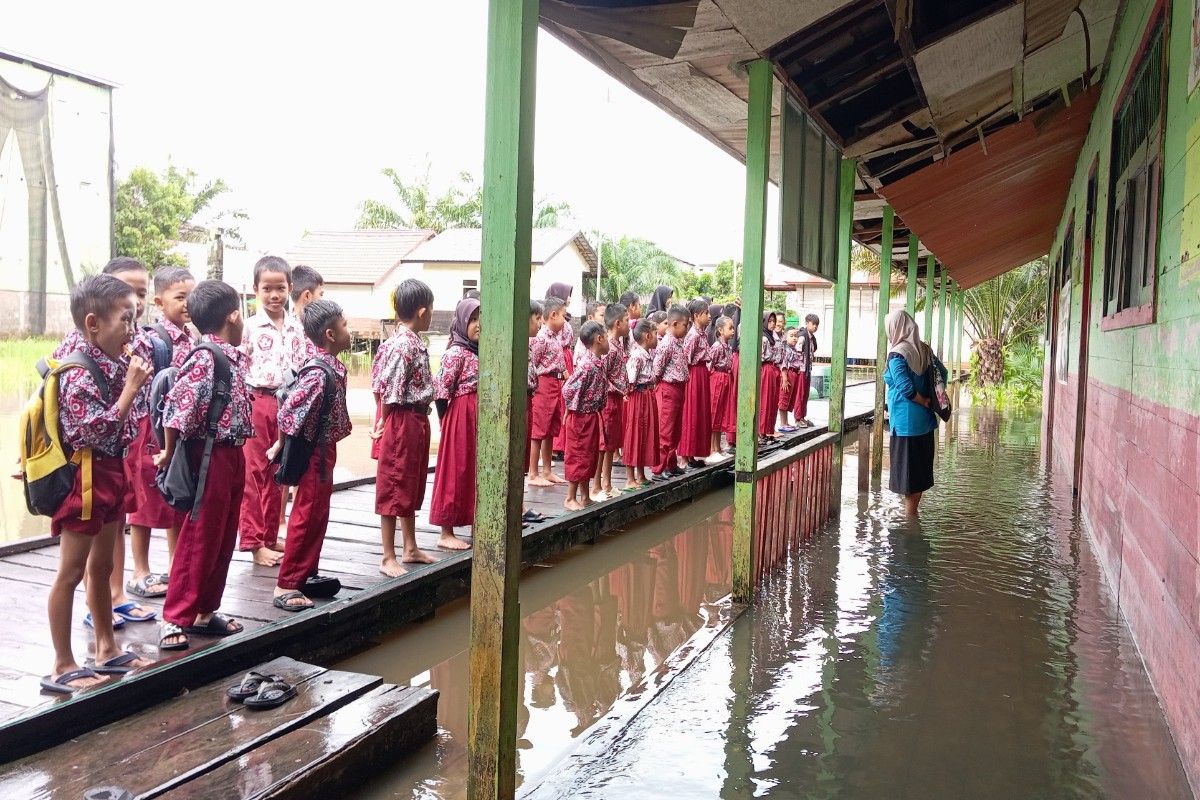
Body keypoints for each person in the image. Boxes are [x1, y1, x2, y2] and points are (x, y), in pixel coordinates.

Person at [42, 275, 154, 693]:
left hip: (112, 472)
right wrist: (129, 389)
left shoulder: (113, 355)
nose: (133, 330)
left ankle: (107, 648)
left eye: (136, 318)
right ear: (92, 324)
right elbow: (95, 431)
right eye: (126, 320)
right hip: (84, 477)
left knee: (103, 567)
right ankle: (62, 662)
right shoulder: (77, 370)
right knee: (70, 572)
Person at [156, 280, 252, 650]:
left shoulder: (231, 354)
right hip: (209, 455)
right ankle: (174, 617)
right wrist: (168, 452)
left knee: (224, 535)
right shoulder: (206, 357)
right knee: (199, 537)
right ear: (232, 316)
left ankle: (205, 611)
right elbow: (177, 412)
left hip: (232, 455)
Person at [265, 299, 353, 612]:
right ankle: (286, 583)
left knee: (318, 514)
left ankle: (305, 574)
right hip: (314, 452)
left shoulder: (331, 366)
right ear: (330, 334)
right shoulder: (319, 373)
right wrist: (280, 444)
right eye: (344, 325)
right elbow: (288, 411)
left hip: (325, 450)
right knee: (307, 513)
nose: (349, 330)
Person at [124, 267, 196, 606]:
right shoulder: (153, 339)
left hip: (177, 430)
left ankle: (174, 564)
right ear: (159, 301)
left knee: (177, 494)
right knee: (144, 499)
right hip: (149, 427)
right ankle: (140, 570)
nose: (187, 304)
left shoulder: (193, 338)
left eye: (190, 297)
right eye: (179, 297)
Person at [239, 256, 304, 567]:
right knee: (254, 473)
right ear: (255, 290)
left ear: (290, 288)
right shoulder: (249, 327)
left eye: (280, 288)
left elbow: (301, 366)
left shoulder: (295, 326)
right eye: (267, 288)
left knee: (280, 473)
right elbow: (239, 366)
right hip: (258, 402)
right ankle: (253, 542)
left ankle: (268, 534)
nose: (275, 295)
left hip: (288, 404)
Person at [372, 279, 438, 577]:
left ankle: (410, 546)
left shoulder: (411, 342)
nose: (432, 314)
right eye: (432, 309)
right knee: (394, 483)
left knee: (409, 482)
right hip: (401, 418)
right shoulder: (402, 346)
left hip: (416, 419)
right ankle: (388, 555)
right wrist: (385, 422)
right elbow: (390, 390)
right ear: (422, 311)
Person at [884, 310, 947, 519]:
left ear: (894, 328)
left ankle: (909, 521)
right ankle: (912, 514)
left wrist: (922, 399)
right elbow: (943, 373)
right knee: (919, 473)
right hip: (925, 423)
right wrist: (930, 399)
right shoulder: (925, 349)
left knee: (907, 475)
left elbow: (905, 387)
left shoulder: (897, 354)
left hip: (905, 424)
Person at [430, 297, 481, 551]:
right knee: (455, 469)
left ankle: (475, 522)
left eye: (482, 318)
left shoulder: (482, 351)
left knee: (475, 469)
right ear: (462, 322)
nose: (478, 324)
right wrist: (446, 422)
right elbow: (441, 392)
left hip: (479, 416)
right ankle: (446, 531)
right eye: (473, 319)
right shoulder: (455, 353)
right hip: (460, 415)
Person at [562, 320, 609, 511]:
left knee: (588, 456)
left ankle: (585, 495)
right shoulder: (587, 366)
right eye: (606, 338)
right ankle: (570, 497)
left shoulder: (598, 363)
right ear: (599, 339)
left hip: (591, 416)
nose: (608, 342)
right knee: (577, 455)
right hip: (580, 417)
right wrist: (571, 409)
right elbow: (568, 389)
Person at [528, 296, 568, 487]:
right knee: (539, 429)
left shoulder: (554, 337)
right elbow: (533, 363)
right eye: (563, 316)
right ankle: (533, 473)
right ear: (553, 315)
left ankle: (547, 470)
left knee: (551, 428)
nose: (565, 320)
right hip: (543, 385)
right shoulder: (540, 339)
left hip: (555, 384)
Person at [594, 302, 629, 500]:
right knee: (603, 443)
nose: (628, 324)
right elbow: (601, 374)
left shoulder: (618, 345)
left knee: (611, 443)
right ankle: (597, 485)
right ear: (617, 323)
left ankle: (607, 483)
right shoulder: (608, 347)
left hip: (616, 398)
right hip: (607, 399)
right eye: (626, 321)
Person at [651, 304, 690, 479]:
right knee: (665, 430)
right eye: (685, 325)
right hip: (668, 388)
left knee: (675, 429)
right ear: (674, 324)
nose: (687, 328)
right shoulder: (666, 344)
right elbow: (657, 369)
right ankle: (659, 468)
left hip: (679, 388)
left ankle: (671, 464)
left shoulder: (678, 343)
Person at [623, 319, 659, 488]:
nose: (658, 337)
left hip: (648, 396)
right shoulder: (637, 356)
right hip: (638, 397)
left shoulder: (647, 354)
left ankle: (641, 474)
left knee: (646, 434)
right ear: (647, 335)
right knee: (635, 434)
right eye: (656, 334)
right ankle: (630, 478)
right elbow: (630, 380)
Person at [678, 299, 714, 466]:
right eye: (706, 313)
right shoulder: (692, 335)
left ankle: (692, 454)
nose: (709, 316)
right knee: (691, 414)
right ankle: (685, 455)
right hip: (693, 375)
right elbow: (685, 359)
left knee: (699, 414)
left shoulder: (702, 333)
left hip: (701, 374)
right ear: (696, 316)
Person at [523, 301, 548, 525]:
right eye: (536, 318)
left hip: (528, 400)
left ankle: (519, 505)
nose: (540, 323)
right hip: (518, 403)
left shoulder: (528, 344)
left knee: (520, 456)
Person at [545, 283, 575, 460]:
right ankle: (556, 446)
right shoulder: (551, 327)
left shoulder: (566, 320)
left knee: (564, 402)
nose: (569, 298)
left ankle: (562, 444)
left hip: (566, 359)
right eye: (567, 295)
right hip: (560, 359)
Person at [707, 315, 736, 457]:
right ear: (720, 330)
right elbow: (709, 365)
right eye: (730, 328)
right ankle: (712, 448)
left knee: (721, 413)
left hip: (725, 379)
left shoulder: (728, 347)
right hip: (717, 379)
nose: (733, 331)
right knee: (714, 413)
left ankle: (718, 447)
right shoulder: (717, 347)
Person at [290, 264, 326, 358]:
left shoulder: (320, 327)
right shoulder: (291, 330)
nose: (322, 300)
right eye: (321, 295)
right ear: (307, 296)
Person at [758, 312, 783, 439]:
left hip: (774, 368)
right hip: (766, 368)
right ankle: (761, 431)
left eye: (774, 321)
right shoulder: (763, 338)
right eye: (770, 321)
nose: (772, 324)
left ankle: (768, 429)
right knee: (765, 400)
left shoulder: (773, 337)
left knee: (773, 401)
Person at [794, 314, 819, 428]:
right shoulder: (803, 336)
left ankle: (803, 416)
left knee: (805, 394)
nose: (815, 327)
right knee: (800, 394)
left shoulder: (811, 337)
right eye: (813, 324)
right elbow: (797, 352)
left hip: (807, 369)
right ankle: (798, 418)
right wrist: (799, 368)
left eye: (816, 325)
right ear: (807, 323)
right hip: (802, 370)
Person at [777, 327, 801, 432]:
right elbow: (784, 364)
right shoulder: (786, 349)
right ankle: (782, 423)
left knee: (789, 399)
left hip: (794, 374)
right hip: (787, 374)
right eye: (791, 336)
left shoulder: (794, 349)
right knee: (784, 398)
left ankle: (786, 422)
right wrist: (785, 379)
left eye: (796, 336)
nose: (794, 338)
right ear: (785, 337)